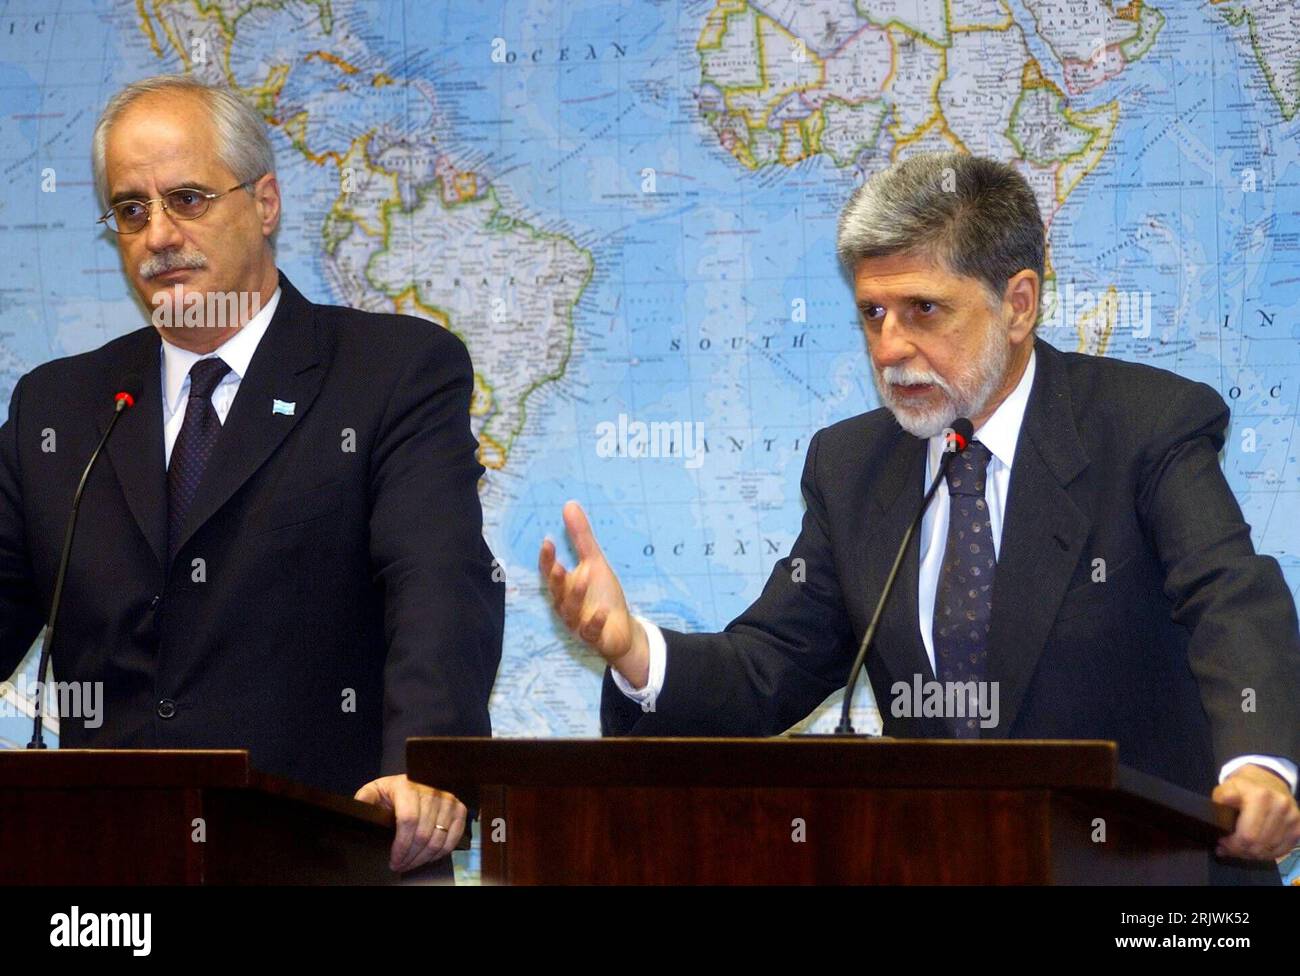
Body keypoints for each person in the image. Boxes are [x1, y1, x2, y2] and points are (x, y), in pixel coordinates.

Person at [540, 152, 1300, 883]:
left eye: (922, 310)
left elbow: (1230, 598)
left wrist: (1259, 767)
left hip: (1148, 888)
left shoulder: (1145, 425)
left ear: (1019, 304)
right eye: (872, 313)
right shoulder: (852, 469)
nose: (890, 347)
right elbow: (769, 666)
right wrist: (635, 650)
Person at [0, 75, 503, 876]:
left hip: (329, 854)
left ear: (265, 203)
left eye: (188, 199)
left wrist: (425, 769)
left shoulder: (392, 373)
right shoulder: (58, 408)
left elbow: (436, 583)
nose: (158, 235)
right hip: (107, 879)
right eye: (132, 211)